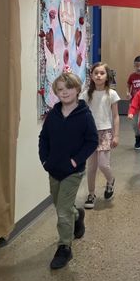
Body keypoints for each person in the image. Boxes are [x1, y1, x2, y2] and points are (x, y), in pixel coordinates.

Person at [38, 72, 98, 269]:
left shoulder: (85, 116)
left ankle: (64, 247)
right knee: (60, 206)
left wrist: (75, 161)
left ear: (78, 90)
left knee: (62, 211)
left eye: (69, 88)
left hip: (73, 171)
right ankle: (77, 215)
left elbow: (92, 141)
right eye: (60, 89)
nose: (64, 93)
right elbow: (43, 138)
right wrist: (45, 160)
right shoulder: (53, 115)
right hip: (53, 168)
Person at [83, 63, 120, 209]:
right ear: (91, 76)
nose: (98, 75)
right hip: (89, 133)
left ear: (106, 76)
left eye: (102, 73)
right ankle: (91, 194)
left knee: (103, 164)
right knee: (91, 167)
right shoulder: (86, 94)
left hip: (105, 132)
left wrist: (116, 135)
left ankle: (110, 180)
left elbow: (116, 116)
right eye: (95, 73)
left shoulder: (111, 94)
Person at [127, 56, 140, 150]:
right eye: (137, 66)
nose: (139, 68)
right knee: (134, 123)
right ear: (134, 66)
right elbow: (129, 84)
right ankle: (137, 138)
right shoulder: (132, 76)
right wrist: (128, 92)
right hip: (134, 103)